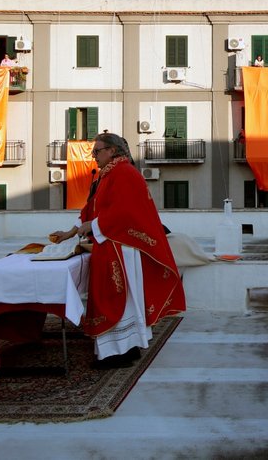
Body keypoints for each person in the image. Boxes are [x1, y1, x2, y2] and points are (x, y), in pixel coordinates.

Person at [49, 133, 185, 368]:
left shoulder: (124, 173)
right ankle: (126, 348)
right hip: (111, 244)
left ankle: (117, 353)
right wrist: (71, 231)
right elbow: (91, 208)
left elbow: (124, 212)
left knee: (115, 299)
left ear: (112, 150)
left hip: (119, 247)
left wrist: (91, 226)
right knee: (121, 300)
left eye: (97, 151)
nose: (93, 157)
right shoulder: (108, 174)